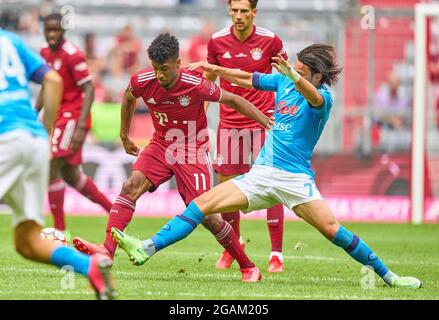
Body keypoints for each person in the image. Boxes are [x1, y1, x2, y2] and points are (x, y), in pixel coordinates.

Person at [112, 43, 422, 289]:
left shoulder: (323, 98)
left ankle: (389, 276)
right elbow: (247, 79)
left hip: (295, 180)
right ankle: (147, 247)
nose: (291, 72)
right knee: (201, 205)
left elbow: (312, 95)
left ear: (314, 74)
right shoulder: (284, 83)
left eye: (299, 69)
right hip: (261, 175)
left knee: (333, 231)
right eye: (293, 68)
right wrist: (214, 67)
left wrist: (293, 74)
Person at [73, 33, 273, 282]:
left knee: (208, 216)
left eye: (165, 69)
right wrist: (124, 135)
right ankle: (107, 251)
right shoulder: (143, 80)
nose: (160, 75)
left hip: (192, 148)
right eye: (156, 68)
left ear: (177, 64)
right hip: (161, 144)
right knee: (130, 186)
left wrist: (263, 120)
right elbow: (129, 98)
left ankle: (248, 267)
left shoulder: (196, 84)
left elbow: (232, 98)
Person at [0, 28, 115, 300]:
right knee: (27, 241)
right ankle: (90, 267)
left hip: (6, 137)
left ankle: (70, 224)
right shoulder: (11, 40)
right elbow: (52, 79)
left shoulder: (68, 54)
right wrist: (45, 132)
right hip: (34, 139)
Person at [203, 0, 287, 272]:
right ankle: (233, 247)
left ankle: (276, 255)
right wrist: (199, 117)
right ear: (229, 10)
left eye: (243, 11)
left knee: (272, 183)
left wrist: (285, 111)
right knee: (228, 186)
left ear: (254, 12)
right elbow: (209, 81)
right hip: (229, 125)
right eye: (234, 10)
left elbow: (287, 76)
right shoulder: (216, 42)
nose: (238, 16)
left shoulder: (270, 41)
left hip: (263, 123)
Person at [37, 13, 113, 241]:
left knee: (51, 166)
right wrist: (34, 112)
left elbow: (88, 88)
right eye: (48, 30)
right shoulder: (43, 53)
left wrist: (81, 125)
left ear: (63, 30)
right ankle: (114, 211)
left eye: (56, 31)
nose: (52, 35)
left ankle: (61, 230)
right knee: (70, 175)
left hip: (72, 117)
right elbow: (46, 87)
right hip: (59, 116)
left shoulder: (73, 55)